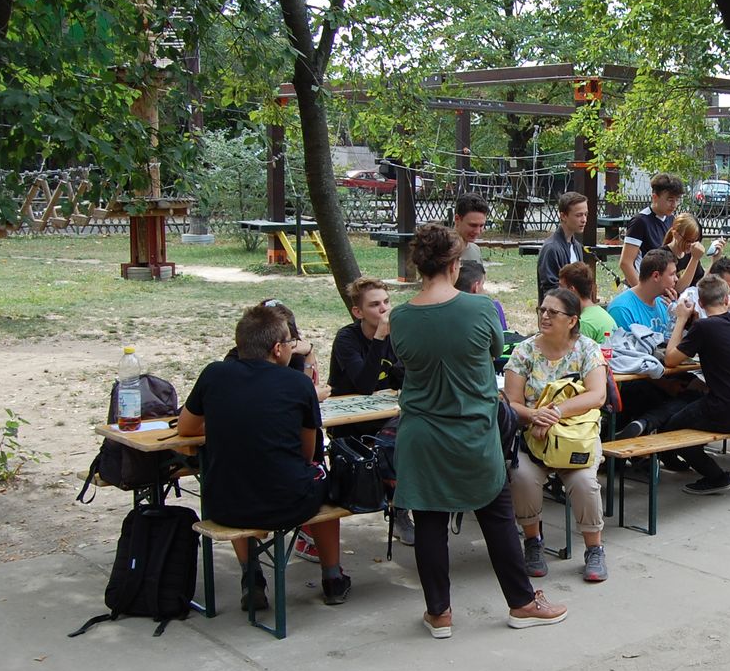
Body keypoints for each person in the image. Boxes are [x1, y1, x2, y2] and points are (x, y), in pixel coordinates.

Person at [390, 224, 566, 637]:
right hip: (473, 430)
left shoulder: (400, 317)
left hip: (422, 433)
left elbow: (405, 360)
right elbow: (492, 351)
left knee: (429, 520)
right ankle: (521, 602)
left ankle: (439, 613)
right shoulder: (480, 308)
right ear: (455, 265)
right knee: (497, 516)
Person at [179, 303, 349, 610]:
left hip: (224, 506)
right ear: (278, 349)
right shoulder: (298, 383)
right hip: (288, 503)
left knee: (237, 476)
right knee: (324, 476)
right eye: (289, 343)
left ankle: (252, 577)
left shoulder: (214, 374)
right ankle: (332, 577)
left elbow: (186, 427)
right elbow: (307, 452)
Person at [504, 288, 609, 581]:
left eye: (553, 312)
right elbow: (511, 401)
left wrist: (556, 413)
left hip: (576, 437)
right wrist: (534, 415)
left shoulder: (587, 349)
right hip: (533, 438)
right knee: (522, 477)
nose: (545, 316)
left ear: (572, 320)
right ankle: (533, 542)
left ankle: (595, 549)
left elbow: (598, 395)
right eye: (542, 310)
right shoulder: (524, 351)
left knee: (585, 482)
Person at [654, 275, 730, 495]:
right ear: (726, 299)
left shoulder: (704, 327)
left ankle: (716, 477)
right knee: (701, 411)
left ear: (701, 303)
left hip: (726, 409)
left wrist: (681, 319)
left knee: (671, 428)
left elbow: (670, 359)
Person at [327, 276, 412, 548]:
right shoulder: (347, 339)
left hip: (385, 415)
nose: (384, 309)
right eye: (375, 305)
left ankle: (401, 509)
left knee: (412, 432)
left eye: (386, 302)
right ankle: (395, 506)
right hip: (350, 422)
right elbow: (364, 384)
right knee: (395, 441)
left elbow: (404, 378)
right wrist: (379, 338)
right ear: (358, 312)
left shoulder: (396, 335)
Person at [619, 172, 685, 287]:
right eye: (670, 200)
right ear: (655, 197)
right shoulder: (640, 221)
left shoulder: (671, 220)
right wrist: (641, 292)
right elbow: (625, 263)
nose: (674, 205)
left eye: (677, 200)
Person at [608, 247, 677, 332]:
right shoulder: (622, 309)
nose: (676, 279)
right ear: (656, 276)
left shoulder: (665, 304)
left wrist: (677, 318)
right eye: (672, 274)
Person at [537, 192, 587, 302]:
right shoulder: (551, 249)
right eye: (579, 215)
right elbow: (550, 291)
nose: (584, 219)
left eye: (585, 214)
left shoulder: (577, 246)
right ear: (563, 216)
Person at [557, 261, 616, 343]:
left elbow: (576, 350)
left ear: (571, 290)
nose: (558, 290)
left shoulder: (584, 323)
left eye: (561, 286)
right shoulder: (600, 312)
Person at [662, 211, 708, 294]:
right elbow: (678, 290)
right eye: (688, 241)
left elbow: (702, 282)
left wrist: (715, 259)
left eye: (695, 241)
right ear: (675, 234)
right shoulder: (662, 255)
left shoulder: (691, 254)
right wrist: (694, 259)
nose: (691, 245)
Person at [457, 258, 508, 329]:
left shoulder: (447, 307)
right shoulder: (492, 307)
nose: (485, 291)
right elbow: (504, 334)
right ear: (476, 287)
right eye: (482, 284)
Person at [454, 193, 490, 264]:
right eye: (473, 225)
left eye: (481, 226)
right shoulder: (441, 252)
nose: (477, 231)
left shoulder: (475, 250)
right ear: (457, 219)